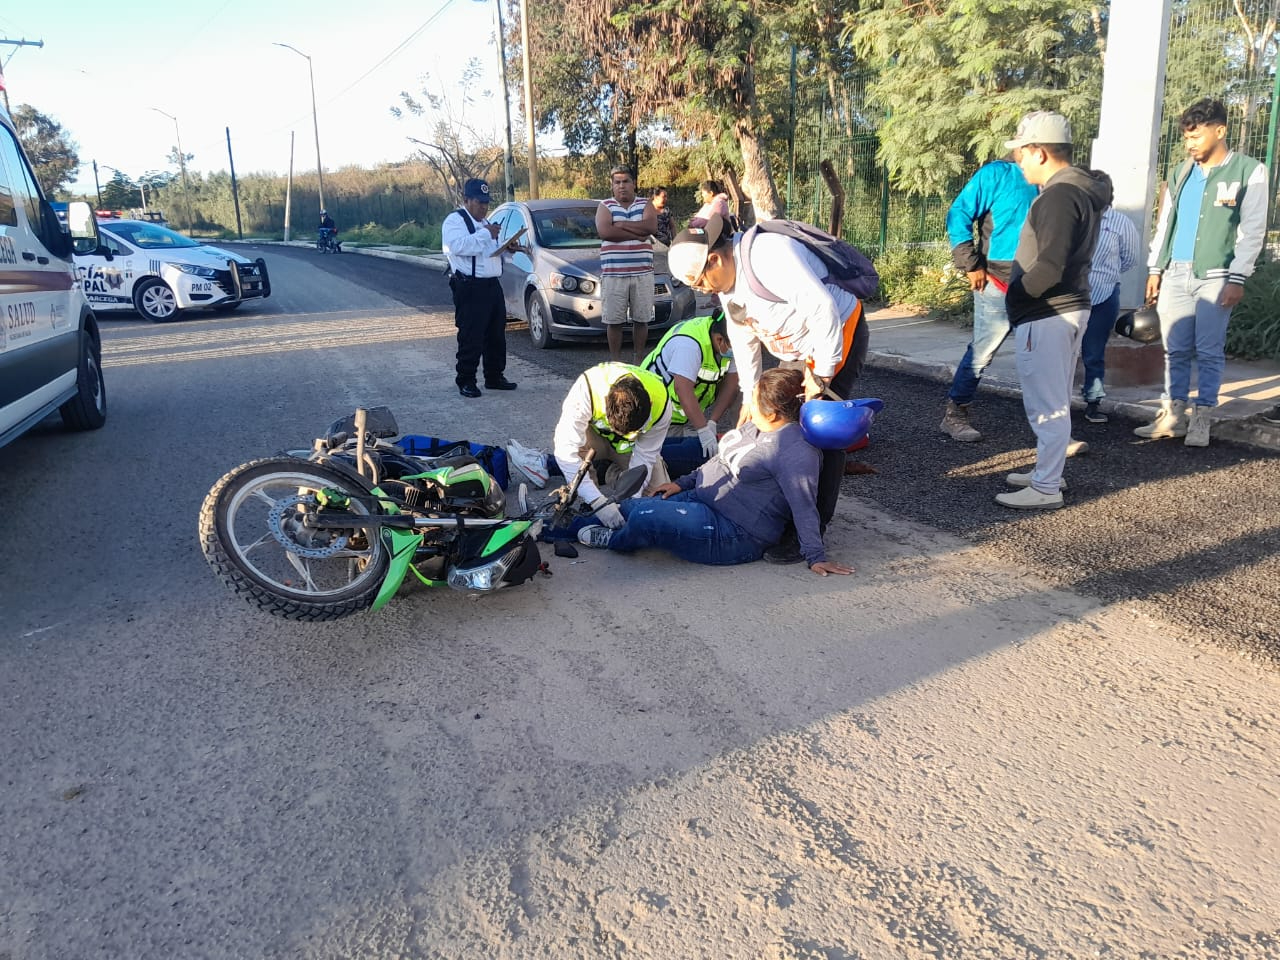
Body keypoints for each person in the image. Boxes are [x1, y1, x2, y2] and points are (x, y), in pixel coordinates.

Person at [666, 212, 867, 564]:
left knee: (819, 430)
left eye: (700, 282)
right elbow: (743, 337)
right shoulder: (727, 287)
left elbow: (823, 311)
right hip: (795, 348)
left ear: (716, 258)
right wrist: (749, 392)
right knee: (777, 420)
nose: (702, 290)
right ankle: (784, 504)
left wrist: (821, 374)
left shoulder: (769, 256)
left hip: (835, 335)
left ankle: (811, 531)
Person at [576, 368, 854, 577]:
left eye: (754, 400)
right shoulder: (755, 426)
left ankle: (614, 540)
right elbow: (720, 461)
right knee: (628, 506)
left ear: (773, 413)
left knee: (645, 518)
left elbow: (804, 507)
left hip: (735, 532)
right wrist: (681, 484)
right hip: (702, 499)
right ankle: (555, 531)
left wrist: (815, 556)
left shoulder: (795, 451)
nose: (749, 404)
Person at [1136, 98, 1269, 447]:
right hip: (1175, 273)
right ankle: (1174, 415)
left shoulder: (1248, 171)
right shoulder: (1180, 173)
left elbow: (1252, 230)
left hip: (1217, 275)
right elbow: (1166, 223)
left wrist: (1238, 276)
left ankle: (1203, 417)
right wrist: (1156, 267)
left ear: (1220, 130)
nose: (1189, 143)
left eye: (1196, 135)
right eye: (1186, 137)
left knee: (1209, 350)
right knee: (1174, 349)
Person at [996, 112, 1112, 510]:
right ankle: (1047, 472)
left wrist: (1017, 297)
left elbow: (1050, 264)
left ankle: (1045, 486)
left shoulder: (1059, 196)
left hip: (1047, 312)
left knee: (1047, 403)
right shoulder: (1078, 191)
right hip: (1065, 308)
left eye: (1022, 153)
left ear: (1040, 152)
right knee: (1054, 397)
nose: (1018, 161)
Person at [938, 154, 1039, 441]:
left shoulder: (1051, 180)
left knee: (1042, 356)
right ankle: (955, 414)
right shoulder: (997, 174)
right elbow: (958, 213)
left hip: (1038, 282)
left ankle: (1051, 430)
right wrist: (970, 263)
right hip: (996, 279)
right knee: (982, 352)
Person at [552, 362, 673, 528]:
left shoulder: (662, 404)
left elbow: (646, 456)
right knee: (573, 451)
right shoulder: (587, 389)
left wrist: (630, 501)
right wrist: (596, 501)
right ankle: (591, 496)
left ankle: (611, 473)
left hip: (629, 448)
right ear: (607, 402)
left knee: (658, 496)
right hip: (594, 442)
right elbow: (565, 451)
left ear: (650, 404)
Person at [442, 178, 521, 398]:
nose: (484, 207)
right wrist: (487, 234)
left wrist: (509, 249)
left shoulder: (485, 222)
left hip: (491, 285)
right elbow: (456, 247)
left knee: (496, 334)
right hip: (469, 286)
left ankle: (494, 376)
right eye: (479, 202)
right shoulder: (455, 221)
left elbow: (491, 254)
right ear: (466, 200)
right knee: (471, 335)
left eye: (486, 203)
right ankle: (466, 380)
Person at [641, 310, 739, 478]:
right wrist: (702, 430)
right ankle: (613, 471)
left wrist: (712, 422)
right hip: (654, 414)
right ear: (719, 339)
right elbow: (683, 389)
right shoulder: (690, 344)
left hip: (681, 416)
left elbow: (731, 384)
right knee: (654, 462)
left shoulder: (730, 341)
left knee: (685, 455)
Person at [1079, 205, 1140, 424]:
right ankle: (1053, 404)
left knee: (1094, 352)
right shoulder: (1075, 215)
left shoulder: (1120, 222)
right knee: (1060, 352)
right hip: (1071, 293)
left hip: (1104, 293)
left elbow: (1130, 257)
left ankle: (1093, 402)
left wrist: (1106, 273)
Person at [595, 165, 658, 364]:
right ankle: (615, 362)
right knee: (614, 321)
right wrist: (637, 232)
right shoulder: (605, 206)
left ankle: (639, 360)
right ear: (612, 186)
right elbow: (606, 232)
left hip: (642, 274)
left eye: (626, 182)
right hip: (614, 274)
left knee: (642, 319)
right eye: (617, 182)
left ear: (634, 183)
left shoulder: (645, 204)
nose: (622, 186)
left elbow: (650, 227)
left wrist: (621, 224)